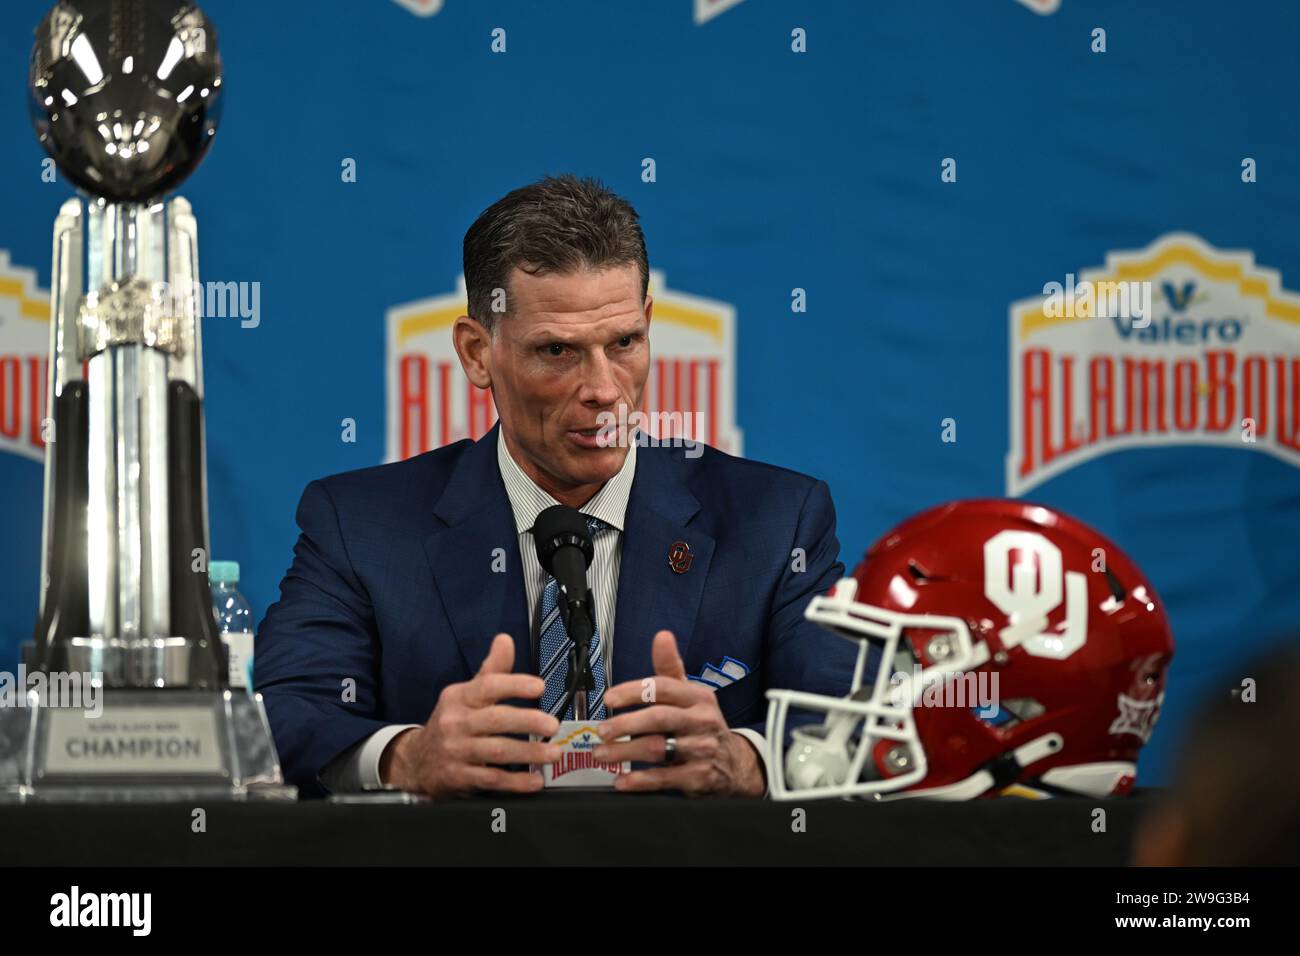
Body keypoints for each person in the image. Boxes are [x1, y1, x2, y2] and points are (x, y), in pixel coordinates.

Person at [255, 174, 858, 798]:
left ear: (649, 323)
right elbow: (286, 712)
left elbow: (845, 722)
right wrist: (407, 758)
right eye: (557, 352)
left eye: (624, 342)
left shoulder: (777, 521)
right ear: (476, 352)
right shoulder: (360, 527)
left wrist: (745, 762)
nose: (603, 389)